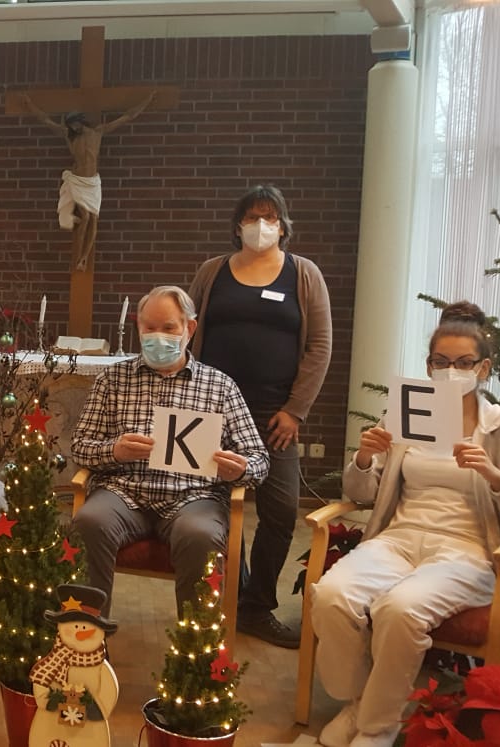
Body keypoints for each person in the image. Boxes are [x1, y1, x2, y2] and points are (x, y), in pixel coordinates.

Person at [311, 302, 500, 747]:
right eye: (441, 361)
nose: (451, 371)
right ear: (428, 366)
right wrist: (364, 458)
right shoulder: (407, 412)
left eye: (463, 363)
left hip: (467, 549)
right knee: (331, 595)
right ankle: (357, 702)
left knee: (400, 610)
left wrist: (494, 476)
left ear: (483, 369)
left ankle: (377, 727)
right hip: (399, 538)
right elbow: (361, 494)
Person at [189, 184, 333, 649]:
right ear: (237, 226)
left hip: (275, 417)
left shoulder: (303, 274)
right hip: (211, 411)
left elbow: (320, 346)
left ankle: (256, 605)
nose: (260, 225)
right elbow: (188, 331)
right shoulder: (212, 272)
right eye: (251, 217)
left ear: (283, 226)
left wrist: (296, 410)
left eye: (269, 217)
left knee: (281, 511)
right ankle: (228, 594)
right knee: (212, 506)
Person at [70, 285, 269, 617]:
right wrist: (115, 451)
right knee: (89, 522)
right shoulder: (112, 380)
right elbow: (80, 447)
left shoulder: (220, 387)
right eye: (149, 327)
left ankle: (197, 642)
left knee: (201, 535)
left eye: (168, 327)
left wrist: (240, 469)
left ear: (189, 328)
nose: (157, 336)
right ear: (138, 326)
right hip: (123, 492)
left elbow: (259, 460)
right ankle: (85, 634)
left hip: (193, 497)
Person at [20, 91, 156, 271]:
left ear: (80, 121)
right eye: (70, 125)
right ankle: (78, 257)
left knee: (93, 218)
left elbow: (127, 117)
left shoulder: (97, 132)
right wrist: (29, 103)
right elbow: (45, 120)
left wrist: (147, 100)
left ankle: (84, 258)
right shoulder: (68, 135)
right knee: (84, 217)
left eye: (74, 123)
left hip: (92, 182)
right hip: (77, 179)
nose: (73, 127)